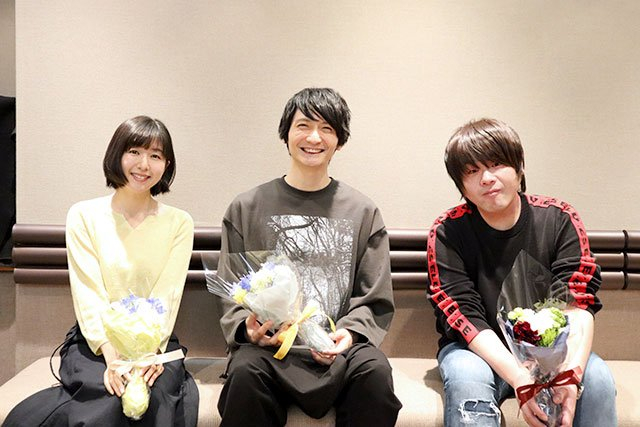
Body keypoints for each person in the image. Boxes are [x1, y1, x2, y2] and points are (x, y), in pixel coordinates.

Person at [216, 87, 402, 427]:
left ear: (339, 141)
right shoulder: (246, 207)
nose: (314, 137)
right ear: (286, 134)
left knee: (375, 373)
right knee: (244, 374)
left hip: (339, 351)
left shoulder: (362, 211)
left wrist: (348, 334)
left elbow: (374, 295)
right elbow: (231, 290)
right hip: (269, 351)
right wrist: (249, 329)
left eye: (326, 128)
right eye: (303, 125)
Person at [3, 116, 198, 427]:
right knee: (111, 398)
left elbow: (168, 294)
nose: (144, 164)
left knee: (150, 399)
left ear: (167, 164)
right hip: (94, 341)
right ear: (117, 155)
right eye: (134, 152)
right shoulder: (84, 215)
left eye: (155, 155)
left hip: (154, 344)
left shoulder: (179, 223)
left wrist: (146, 354)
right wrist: (112, 356)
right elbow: (88, 292)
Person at [426, 118, 617, 427]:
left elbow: (576, 303)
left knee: (597, 379)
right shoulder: (448, 231)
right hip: (476, 351)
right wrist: (518, 376)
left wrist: (569, 374)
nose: (487, 178)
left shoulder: (559, 219)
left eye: (496, 164)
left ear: (519, 167)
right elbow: (463, 314)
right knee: (466, 376)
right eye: (472, 171)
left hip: (553, 349)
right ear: (461, 185)